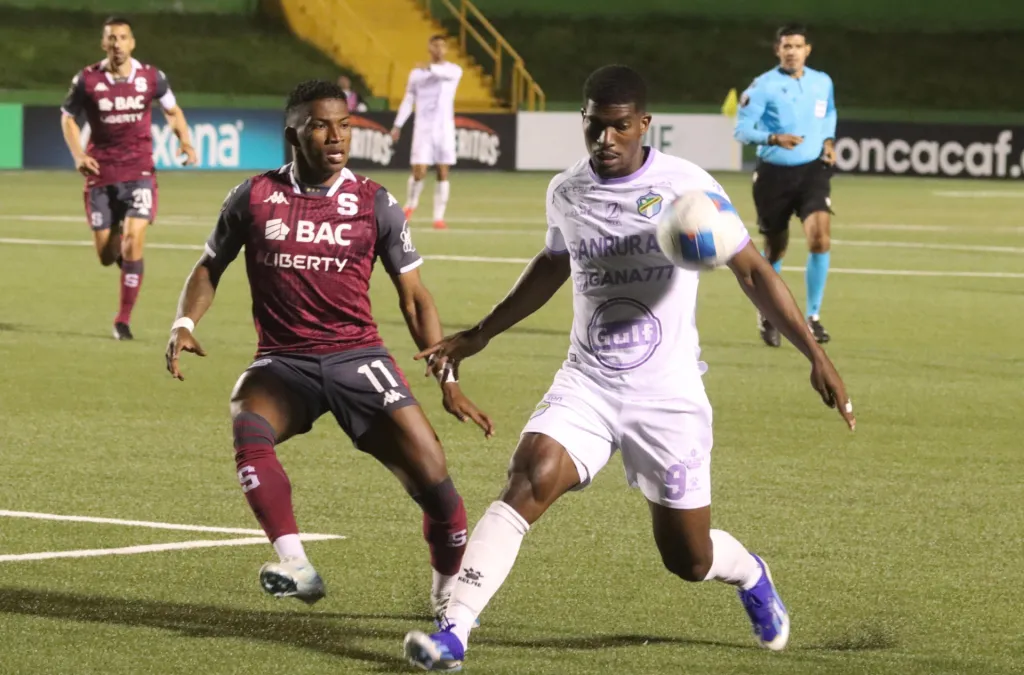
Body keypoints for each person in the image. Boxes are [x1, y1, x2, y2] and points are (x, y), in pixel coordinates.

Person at [402, 65, 855, 671]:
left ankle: (750, 574)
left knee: (687, 560)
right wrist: (480, 334)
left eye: (619, 127)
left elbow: (751, 270)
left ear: (643, 125)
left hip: (667, 396)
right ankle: (453, 633)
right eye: (595, 126)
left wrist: (816, 356)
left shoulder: (686, 187)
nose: (605, 140)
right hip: (587, 382)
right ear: (584, 121)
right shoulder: (567, 191)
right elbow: (553, 262)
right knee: (527, 477)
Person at [164, 80, 494, 616]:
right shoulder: (253, 196)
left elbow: (414, 299)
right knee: (247, 422)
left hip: (359, 358)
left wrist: (448, 380)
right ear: (294, 134)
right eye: (321, 125)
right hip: (283, 361)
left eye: (344, 125)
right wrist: (183, 321)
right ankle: (294, 562)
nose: (337, 136)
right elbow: (209, 265)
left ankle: (444, 597)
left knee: (440, 492)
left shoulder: (375, 203)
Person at [60, 15, 197, 341]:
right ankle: (124, 246)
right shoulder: (87, 80)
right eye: (111, 38)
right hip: (101, 172)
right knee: (107, 256)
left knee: (135, 241)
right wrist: (79, 154)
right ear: (103, 43)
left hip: (140, 171)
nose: (116, 44)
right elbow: (67, 118)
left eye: (122, 37)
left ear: (132, 42)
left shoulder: (151, 77)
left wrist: (186, 141)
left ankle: (122, 320)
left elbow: (172, 111)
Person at [734, 24, 837, 347]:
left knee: (819, 238)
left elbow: (829, 112)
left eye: (797, 46)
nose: (792, 51)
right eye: (786, 46)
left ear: (808, 49)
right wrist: (773, 137)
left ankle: (813, 317)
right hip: (774, 176)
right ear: (777, 51)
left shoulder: (822, 82)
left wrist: (828, 140)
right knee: (775, 248)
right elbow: (741, 129)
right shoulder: (763, 86)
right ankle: (769, 312)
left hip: (812, 173)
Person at [390, 35, 463, 230]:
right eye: (435, 46)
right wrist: (398, 125)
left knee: (442, 171)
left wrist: (428, 68)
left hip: (445, 128)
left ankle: (438, 217)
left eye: (442, 46)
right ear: (429, 48)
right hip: (423, 127)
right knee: (419, 170)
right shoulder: (416, 74)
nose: (439, 49)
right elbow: (408, 100)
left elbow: (445, 75)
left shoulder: (454, 70)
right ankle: (411, 204)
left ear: (446, 49)